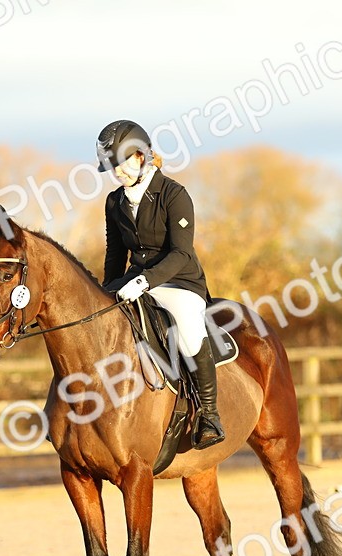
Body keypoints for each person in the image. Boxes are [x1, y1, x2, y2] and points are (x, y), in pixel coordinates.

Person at [95, 119, 225, 450]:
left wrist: (145, 280)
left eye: (121, 164)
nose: (117, 173)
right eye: (112, 168)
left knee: (188, 329)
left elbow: (182, 253)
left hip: (179, 282)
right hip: (134, 282)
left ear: (141, 156)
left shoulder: (174, 195)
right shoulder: (114, 202)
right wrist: (105, 292)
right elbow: (115, 254)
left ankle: (210, 415)